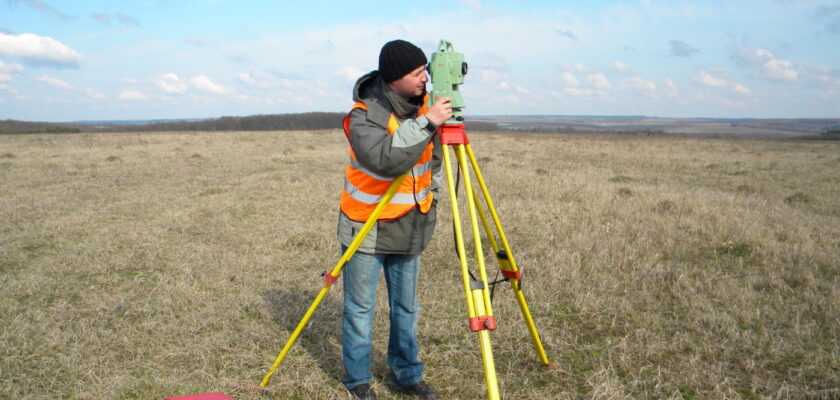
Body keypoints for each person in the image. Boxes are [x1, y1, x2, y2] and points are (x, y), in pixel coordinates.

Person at [336, 39, 452, 400]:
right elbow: (384, 160)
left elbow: (431, 161)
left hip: (410, 224)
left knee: (406, 307)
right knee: (360, 310)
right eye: (417, 73)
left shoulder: (428, 109)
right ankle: (358, 380)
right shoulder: (364, 114)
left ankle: (407, 374)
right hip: (367, 226)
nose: (424, 78)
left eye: (424, 71)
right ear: (395, 77)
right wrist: (428, 123)